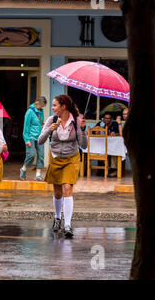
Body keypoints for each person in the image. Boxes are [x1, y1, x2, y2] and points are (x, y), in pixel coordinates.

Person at [38, 95, 87, 238]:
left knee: (67, 187)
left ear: (63, 106)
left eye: (54, 105)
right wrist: (49, 130)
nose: (52, 108)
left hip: (71, 158)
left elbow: (83, 145)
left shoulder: (76, 121)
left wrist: (82, 129)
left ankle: (67, 224)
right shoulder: (51, 120)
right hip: (55, 158)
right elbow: (40, 141)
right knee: (58, 191)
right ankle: (57, 218)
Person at [20, 96, 47, 181]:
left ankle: (38, 175)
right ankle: (23, 168)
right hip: (31, 136)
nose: (42, 108)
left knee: (41, 155)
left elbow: (41, 122)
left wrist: (43, 126)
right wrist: (26, 139)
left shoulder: (41, 111)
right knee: (31, 155)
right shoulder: (29, 112)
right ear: (38, 103)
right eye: (42, 106)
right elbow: (26, 127)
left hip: (40, 136)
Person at [95, 112, 120, 177]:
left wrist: (115, 134)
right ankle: (101, 170)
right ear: (103, 119)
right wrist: (96, 132)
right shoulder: (100, 124)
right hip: (101, 145)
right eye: (106, 118)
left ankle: (113, 170)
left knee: (113, 151)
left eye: (109, 118)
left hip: (113, 145)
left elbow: (118, 133)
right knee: (100, 150)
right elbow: (93, 131)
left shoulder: (114, 124)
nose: (107, 120)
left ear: (111, 119)